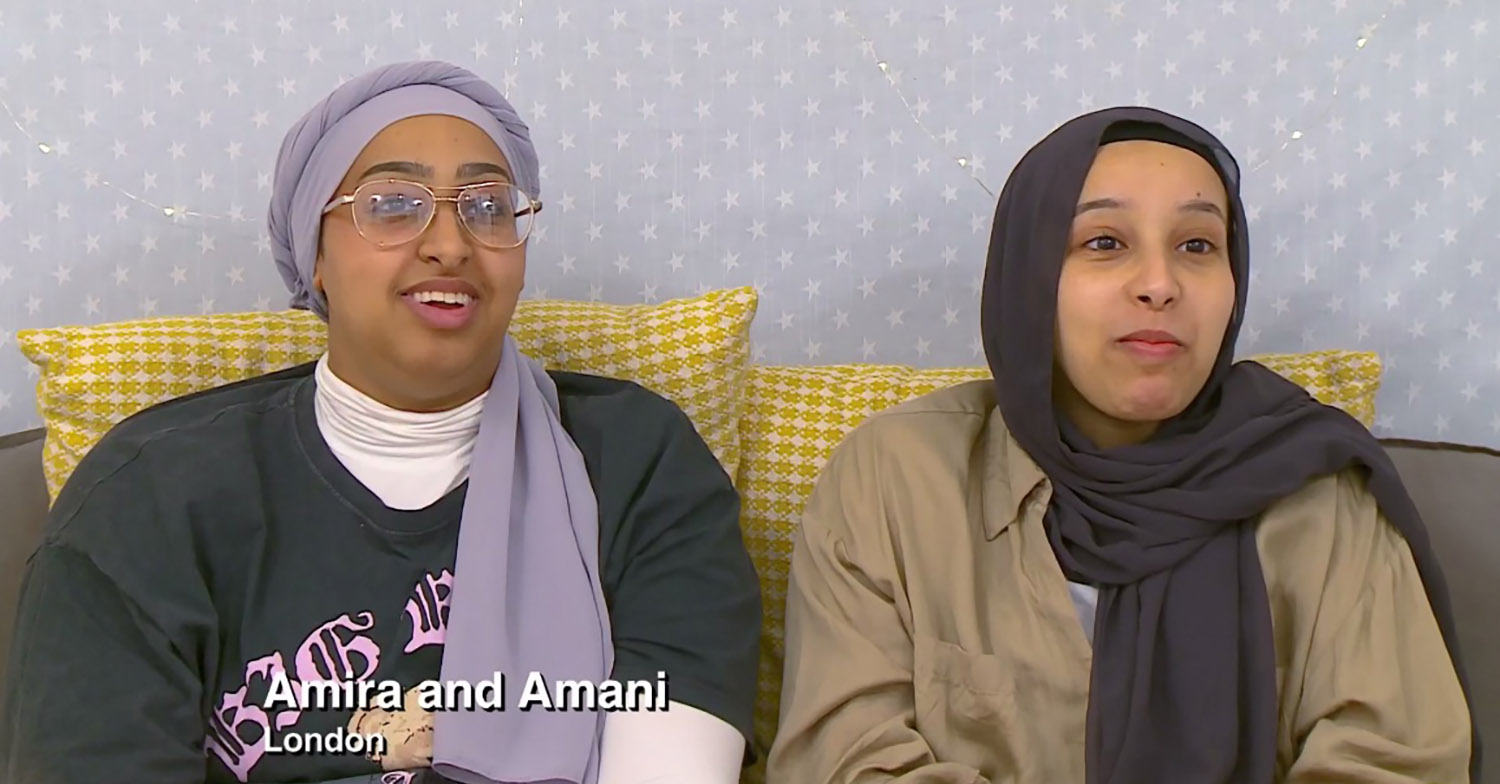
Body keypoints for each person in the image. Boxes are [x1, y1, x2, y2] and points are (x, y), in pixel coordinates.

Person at [0, 61, 761, 784]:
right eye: (392, 204)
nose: (450, 244)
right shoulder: (151, 495)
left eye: (488, 205)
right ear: (316, 254)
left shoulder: (637, 463)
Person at [767, 106, 1477, 783]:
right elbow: (846, 763)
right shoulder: (896, 480)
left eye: (1197, 245)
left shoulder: (1315, 491)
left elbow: (1397, 764)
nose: (1160, 285)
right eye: (1104, 243)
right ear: (1029, 277)